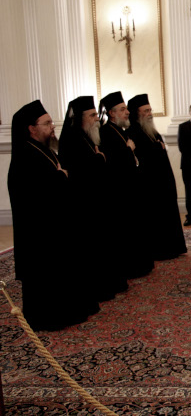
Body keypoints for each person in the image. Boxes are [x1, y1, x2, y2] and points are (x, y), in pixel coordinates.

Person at [8, 100, 100, 330]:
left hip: (56, 226)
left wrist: (61, 176)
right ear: (32, 128)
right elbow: (38, 193)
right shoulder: (25, 155)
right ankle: (51, 317)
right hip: (40, 233)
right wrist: (60, 177)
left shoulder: (43, 149)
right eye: (47, 123)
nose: (52, 126)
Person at [59, 96, 128, 301]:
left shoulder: (88, 136)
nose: (97, 118)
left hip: (99, 201)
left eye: (96, 114)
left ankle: (110, 283)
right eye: (91, 115)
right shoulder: (71, 139)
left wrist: (99, 159)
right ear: (79, 118)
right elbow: (81, 171)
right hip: (84, 204)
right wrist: (99, 158)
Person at [99, 91, 154, 278]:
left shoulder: (120, 131)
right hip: (120, 191)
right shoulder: (105, 133)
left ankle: (141, 264)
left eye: (126, 109)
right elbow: (113, 162)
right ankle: (132, 267)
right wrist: (128, 149)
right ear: (112, 113)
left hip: (131, 188)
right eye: (122, 109)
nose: (127, 112)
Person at [127, 94, 187, 260]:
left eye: (150, 110)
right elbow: (143, 158)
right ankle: (161, 250)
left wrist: (158, 149)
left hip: (163, 182)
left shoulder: (152, 131)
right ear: (137, 113)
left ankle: (173, 247)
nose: (149, 114)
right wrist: (157, 149)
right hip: (150, 185)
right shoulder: (132, 132)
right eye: (146, 111)